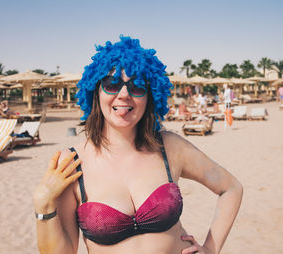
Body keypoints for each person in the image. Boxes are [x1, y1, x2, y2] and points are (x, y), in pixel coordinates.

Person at [33, 36, 243, 254]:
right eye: (112, 84)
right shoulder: (72, 163)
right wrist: (43, 205)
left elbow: (231, 188)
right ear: (95, 91)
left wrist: (210, 249)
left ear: (150, 97)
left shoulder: (170, 147)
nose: (124, 94)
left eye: (137, 86)